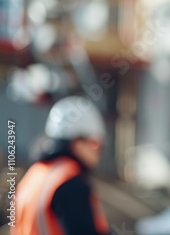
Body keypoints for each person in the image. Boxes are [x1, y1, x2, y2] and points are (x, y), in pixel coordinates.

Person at [14, 96, 109, 235]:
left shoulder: (33, 175)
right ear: (77, 142)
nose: (98, 152)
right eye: (96, 144)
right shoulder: (71, 183)